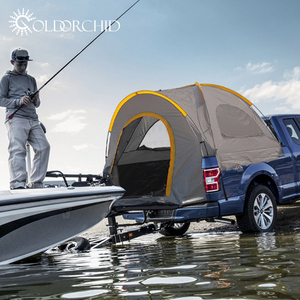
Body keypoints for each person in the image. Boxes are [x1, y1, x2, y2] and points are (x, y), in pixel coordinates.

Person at [0, 48, 50, 189]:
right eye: (19, 64)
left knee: (44, 147)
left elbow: (37, 104)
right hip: (16, 118)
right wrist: (18, 101)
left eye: (25, 64)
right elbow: (0, 99)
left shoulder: (31, 80)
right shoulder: (7, 78)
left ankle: (36, 182)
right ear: (12, 62)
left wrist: (36, 99)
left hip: (33, 119)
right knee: (17, 149)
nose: (22, 67)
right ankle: (18, 183)